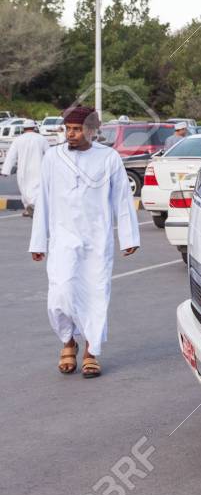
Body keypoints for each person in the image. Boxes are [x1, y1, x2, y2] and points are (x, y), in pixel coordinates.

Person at [29, 105, 140, 378]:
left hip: (97, 240)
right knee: (59, 295)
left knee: (95, 296)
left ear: (91, 130)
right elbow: (42, 200)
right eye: (68, 129)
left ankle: (91, 351)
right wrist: (38, 242)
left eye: (77, 129)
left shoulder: (109, 158)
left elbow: (122, 201)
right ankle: (68, 340)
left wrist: (128, 236)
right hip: (62, 238)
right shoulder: (53, 158)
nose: (71, 134)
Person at [2, 120, 47, 216]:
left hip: (23, 169)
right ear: (34, 128)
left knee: (24, 189)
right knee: (36, 188)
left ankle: (29, 207)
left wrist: (5, 170)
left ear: (23, 128)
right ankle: (32, 206)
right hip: (38, 168)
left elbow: (11, 156)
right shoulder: (41, 139)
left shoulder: (18, 139)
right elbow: (49, 154)